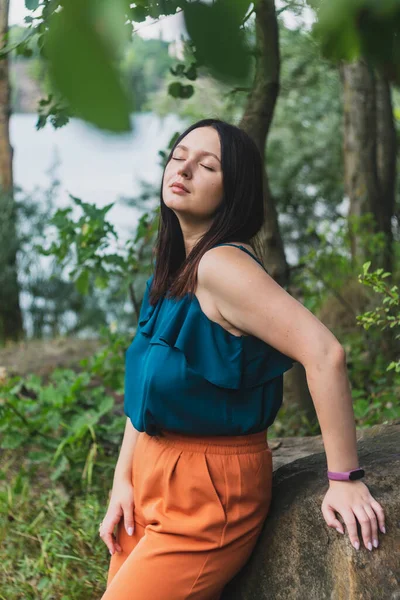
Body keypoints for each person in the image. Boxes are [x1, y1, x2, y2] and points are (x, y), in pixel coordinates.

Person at [99, 118, 386, 599]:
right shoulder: (174, 266)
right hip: (151, 473)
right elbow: (144, 389)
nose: (184, 169)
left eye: (206, 165)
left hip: (207, 489)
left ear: (233, 191)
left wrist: (345, 478)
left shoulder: (221, 266)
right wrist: (120, 483)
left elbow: (325, 354)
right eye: (178, 156)